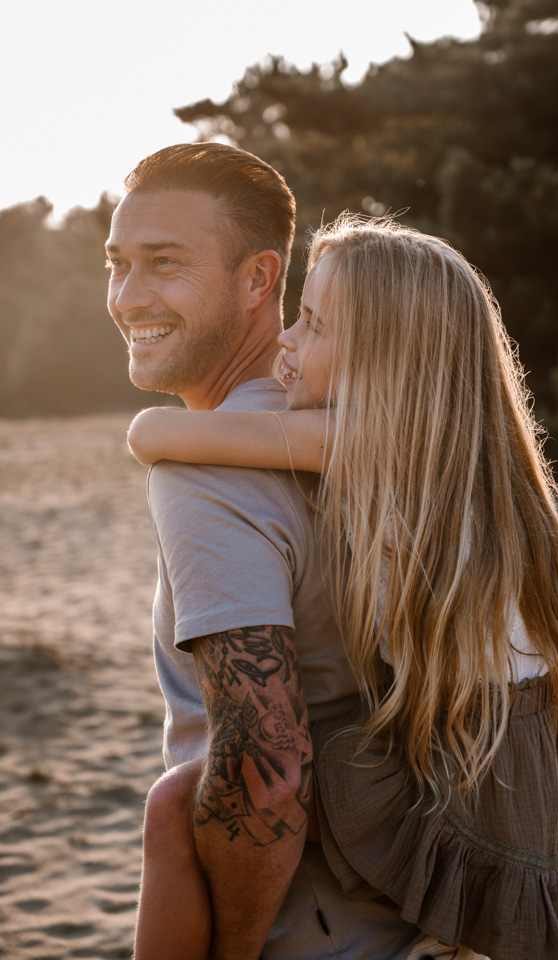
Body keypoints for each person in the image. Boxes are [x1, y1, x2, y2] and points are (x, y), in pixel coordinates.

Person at [127, 214, 558, 960]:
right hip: (508, 758)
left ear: (386, 358)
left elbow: (151, 436)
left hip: (471, 772)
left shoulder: (369, 443)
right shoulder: (459, 440)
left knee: (179, 805)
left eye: (313, 325)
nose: (284, 343)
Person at [107, 145, 430, 960]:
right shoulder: (355, 422)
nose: (127, 296)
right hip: (413, 912)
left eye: (164, 264)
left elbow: (267, 764)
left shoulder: (208, 467)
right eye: (117, 264)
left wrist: (235, 948)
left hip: (306, 931)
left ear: (258, 281)